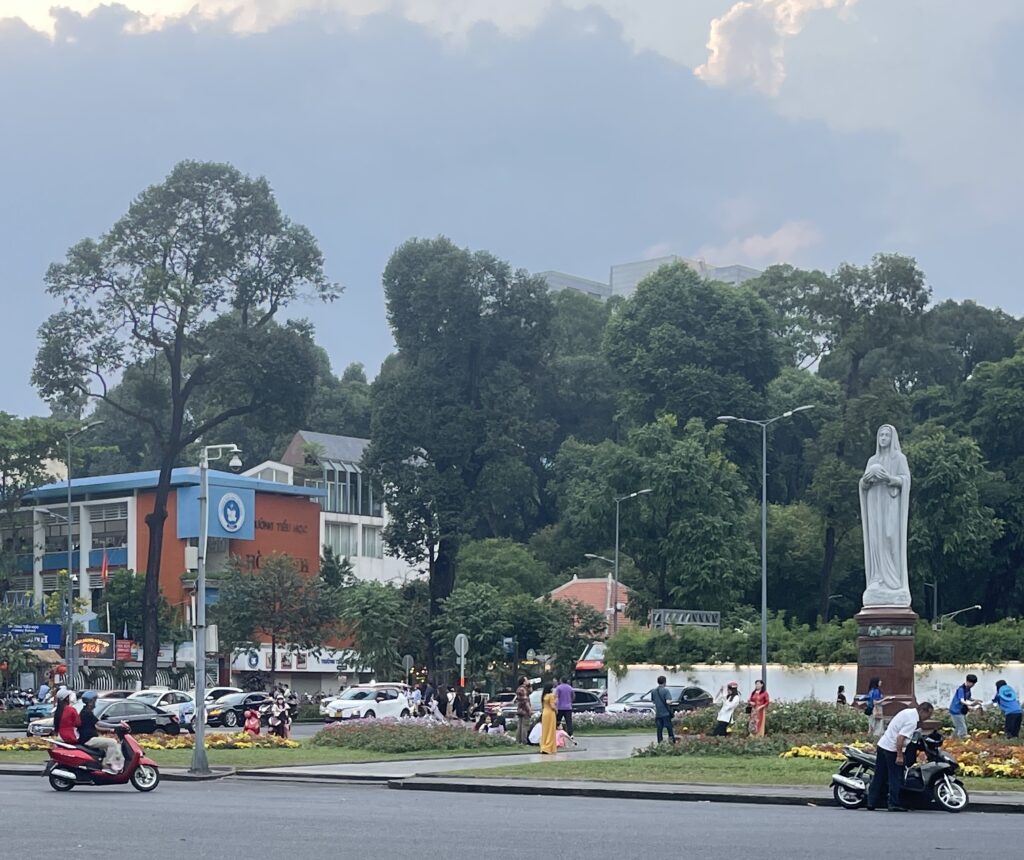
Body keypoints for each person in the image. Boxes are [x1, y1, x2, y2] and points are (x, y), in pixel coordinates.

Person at [859, 424, 912, 607]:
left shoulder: (899, 458)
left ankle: (894, 582)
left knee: (890, 537)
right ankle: (878, 578)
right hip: (875, 503)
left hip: (890, 504)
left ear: (892, 438)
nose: (883, 438)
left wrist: (889, 478)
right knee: (876, 540)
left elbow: (905, 480)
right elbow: (863, 485)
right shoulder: (872, 459)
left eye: (886, 435)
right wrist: (865, 481)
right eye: (880, 434)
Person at [867, 700, 934, 812]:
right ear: (923, 711)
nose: (928, 717)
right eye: (929, 715)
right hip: (892, 750)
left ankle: (871, 802)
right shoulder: (912, 721)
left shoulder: (907, 712)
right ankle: (893, 803)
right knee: (896, 777)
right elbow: (900, 738)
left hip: (883, 745)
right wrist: (899, 755)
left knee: (879, 775)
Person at [79, 691, 124, 773]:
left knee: (113, 745)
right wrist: (117, 725)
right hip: (89, 739)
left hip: (91, 738)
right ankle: (107, 765)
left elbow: (96, 726)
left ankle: (115, 764)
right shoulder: (87, 713)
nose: (95, 703)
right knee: (112, 742)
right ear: (90, 702)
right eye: (94, 701)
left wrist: (110, 730)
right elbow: (99, 723)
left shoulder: (86, 711)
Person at [949, 674, 978, 738]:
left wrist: (976, 700)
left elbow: (968, 698)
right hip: (956, 711)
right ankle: (962, 739)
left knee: (959, 726)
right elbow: (962, 700)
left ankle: (952, 739)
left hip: (961, 711)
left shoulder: (968, 689)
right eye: (972, 683)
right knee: (962, 728)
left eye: (974, 684)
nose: (973, 685)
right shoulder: (961, 689)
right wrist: (971, 704)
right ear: (967, 681)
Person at [652, 675, 676, 744]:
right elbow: (668, 701)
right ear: (665, 682)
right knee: (669, 729)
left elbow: (654, 701)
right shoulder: (666, 691)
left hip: (658, 714)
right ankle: (672, 743)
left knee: (659, 730)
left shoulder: (654, 691)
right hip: (666, 714)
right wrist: (672, 701)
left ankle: (660, 743)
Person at [540, 683, 557, 754]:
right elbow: (552, 706)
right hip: (550, 713)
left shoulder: (543, 696)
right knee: (551, 730)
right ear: (550, 689)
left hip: (544, 713)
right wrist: (556, 710)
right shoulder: (551, 695)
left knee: (545, 731)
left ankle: (543, 746)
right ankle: (548, 747)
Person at [515, 675, 532, 745]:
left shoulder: (520, 688)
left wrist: (529, 685)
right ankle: (524, 741)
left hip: (520, 709)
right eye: (526, 680)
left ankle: (518, 741)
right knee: (525, 726)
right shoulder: (523, 689)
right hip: (525, 710)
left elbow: (530, 692)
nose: (528, 680)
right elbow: (525, 701)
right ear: (523, 681)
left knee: (520, 726)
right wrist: (529, 710)